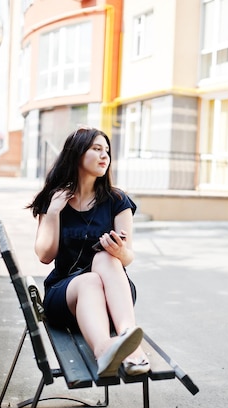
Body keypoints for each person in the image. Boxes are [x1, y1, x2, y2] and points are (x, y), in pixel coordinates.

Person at [27, 126, 150, 377]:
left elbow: (129, 257)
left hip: (113, 296)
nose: (105, 156)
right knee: (90, 280)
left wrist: (119, 251)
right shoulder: (54, 199)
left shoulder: (117, 201)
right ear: (77, 153)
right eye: (96, 149)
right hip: (65, 295)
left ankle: (128, 336)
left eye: (107, 151)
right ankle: (104, 350)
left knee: (105, 257)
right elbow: (44, 256)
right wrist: (53, 213)